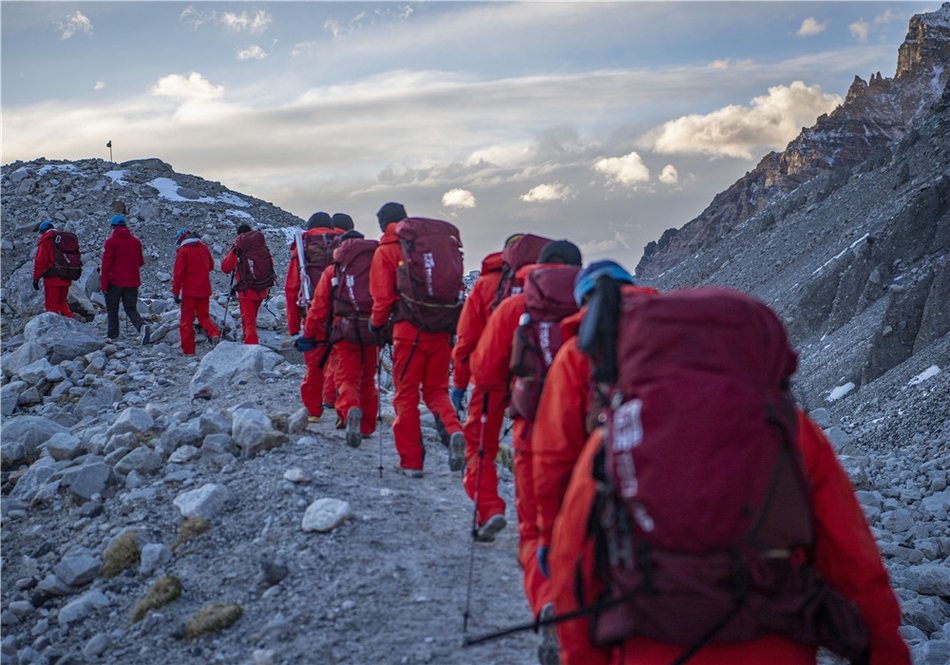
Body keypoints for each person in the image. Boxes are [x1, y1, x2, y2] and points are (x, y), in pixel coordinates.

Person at [545, 288, 911, 665]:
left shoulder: (616, 436)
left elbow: (574, 563)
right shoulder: (791, 431)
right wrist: (885, 651)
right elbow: (854, 564)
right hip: (775, 651)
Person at [470, 239, 582, 660]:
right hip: (593, 442)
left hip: (535, 436)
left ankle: (550, 604)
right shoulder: (604, 305)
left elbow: (484, 370)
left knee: (538, 529)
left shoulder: (514, 308)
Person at [368, 202, 465, 478]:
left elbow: (383, 299)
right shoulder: (430, 247)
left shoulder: (385, 251)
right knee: (436, 392)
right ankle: (455, 431)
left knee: (406, 395)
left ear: (382, 225)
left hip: (409, 333)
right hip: (443, 329)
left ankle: (411, 461)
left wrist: (376, 326)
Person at [298, 228, 379, 446]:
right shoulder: (377, 266)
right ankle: (367, 424)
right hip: (372, 332)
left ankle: (350, 410)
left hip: (344, 332)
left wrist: (308, 334)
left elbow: (319, 308)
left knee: (347, 378)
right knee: (369, 378)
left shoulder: (333, 271)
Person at [287, 212, 341, 421]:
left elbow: (292, 289)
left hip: (313, 314)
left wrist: (293, 329)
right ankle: (343, 408)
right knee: (341, 361)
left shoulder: (303, 250)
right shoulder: (343, 246)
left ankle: (313, 412)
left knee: (314, 365)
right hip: (342, 314)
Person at [221, 224, 274, 345]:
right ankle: (249, 343)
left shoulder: (239, 248)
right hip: (262, 289)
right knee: (252, 320)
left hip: (246, 290)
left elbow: (225, 268)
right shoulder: (261, 246)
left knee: (248, 322)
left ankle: (251, 350)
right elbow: (271, 265)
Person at [100, 214, 149, 343]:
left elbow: (106, 266)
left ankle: (112, 335)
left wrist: (104, 285)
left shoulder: (111, 242)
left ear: (113, 227)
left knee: (112, 309)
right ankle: (142, 326)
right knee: (130, 308)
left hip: (114, 282)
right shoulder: (136, 241)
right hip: (132, 282)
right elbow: (140, 262)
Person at [172, 228, 220, 355]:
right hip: (205, 290)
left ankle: (189, 350)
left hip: (189, 292)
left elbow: (178, 274)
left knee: (186, 320)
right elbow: (211, 266)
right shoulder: (204, 248)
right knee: (203, 316)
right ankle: (214, 333)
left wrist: (176, 292)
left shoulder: (183, 251)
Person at [32, 221, 74, 317]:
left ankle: (55, 329)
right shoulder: (63, 239)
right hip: (66, 275)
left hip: (52, 278)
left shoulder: (46, 240)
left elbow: (40, 261)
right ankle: (72, 326)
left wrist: (36, 278)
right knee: (62, 303)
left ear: (43, 231)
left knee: (52, 305)